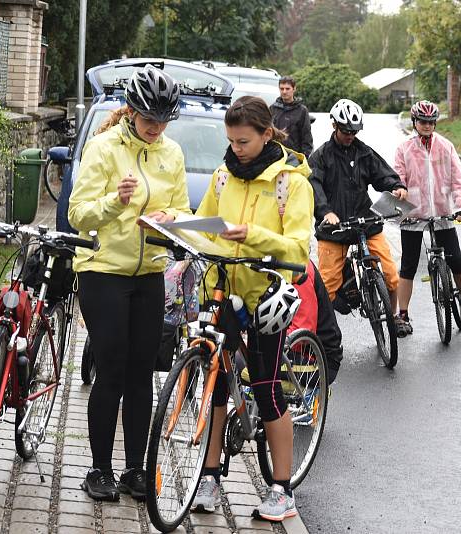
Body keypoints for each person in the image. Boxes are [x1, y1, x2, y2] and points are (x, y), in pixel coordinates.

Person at [68, 65, 191, 501]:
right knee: (112, 372)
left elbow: (180, 208)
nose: (155, 127)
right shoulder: (102, 148)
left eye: (163, 120)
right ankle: (99, 469)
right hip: (102, 270)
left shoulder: (171, 154)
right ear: (132, 111)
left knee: (143, 374)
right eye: (148, 119)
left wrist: (169, 218)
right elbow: (77, 214)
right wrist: (113, 201)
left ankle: (135, 470)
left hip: (150, 273)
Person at [191, 96, 314, 522]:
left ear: (267, 134)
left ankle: (281, 489)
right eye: (231, 140)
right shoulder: (224, 175)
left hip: (267, 297)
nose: (236, 148)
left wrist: (254, 236)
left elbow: (298, 248)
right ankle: (208, 477)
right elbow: (206, 224)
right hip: (222, 289)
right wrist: (175, 225)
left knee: (265, 388)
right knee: (216, 384)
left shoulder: (291, 183)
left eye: (244, 141)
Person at [309, 98, 407, 319]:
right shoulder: (321, 156)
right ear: (334, 125)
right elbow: (313, 186)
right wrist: (326, 212)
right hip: (333, 228)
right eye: (346, 131)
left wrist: (396, 186)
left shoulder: (364, 152)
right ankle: (324, 337)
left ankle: (393, 319)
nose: (350, 136)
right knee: (327, 287)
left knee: (391, 276)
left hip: (366, 222)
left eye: (354, 131)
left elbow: (383, 174)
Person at [393, 100, 461, 337]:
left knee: (457, 260)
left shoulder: (445, 146)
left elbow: (458, 180)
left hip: (442, 212)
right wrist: (397, 192)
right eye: (423, 122)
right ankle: (402, 314)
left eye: (431, 122)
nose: (428, 126)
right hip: (413, 214)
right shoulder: (404, 149)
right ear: (414, 122)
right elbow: (397, 178)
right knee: (408, 266)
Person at [270, 76, 314, 157]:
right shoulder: (273, 109)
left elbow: (307, 138)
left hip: (293, 158)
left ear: (294, 89)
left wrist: (303, 159)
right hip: (274, 157)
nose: (284, 91)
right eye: (281, 88)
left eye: (287, 89)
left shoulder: (302, 110)